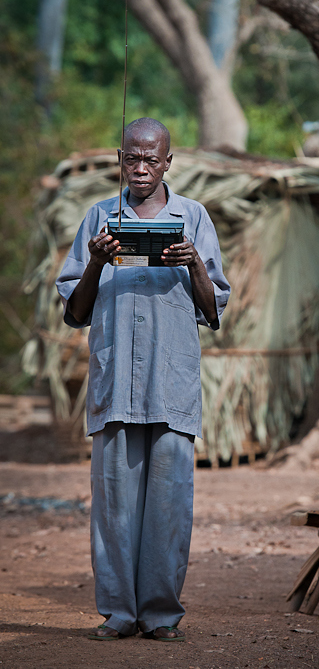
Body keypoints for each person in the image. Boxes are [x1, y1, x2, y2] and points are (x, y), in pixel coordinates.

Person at [56, 117, 230, 642]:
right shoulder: (99, 218)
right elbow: (75, 311)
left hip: (171, 387)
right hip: (114, 391)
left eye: (152, 159)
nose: (142, 168)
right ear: (120, 158)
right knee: (112, 506)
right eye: (133, 158)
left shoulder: (193, 218)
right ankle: (119, 613)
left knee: (170, 506)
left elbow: (214, 307)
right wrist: (94, 263)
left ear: (168, 162)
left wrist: (193, 262)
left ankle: (159, 614)